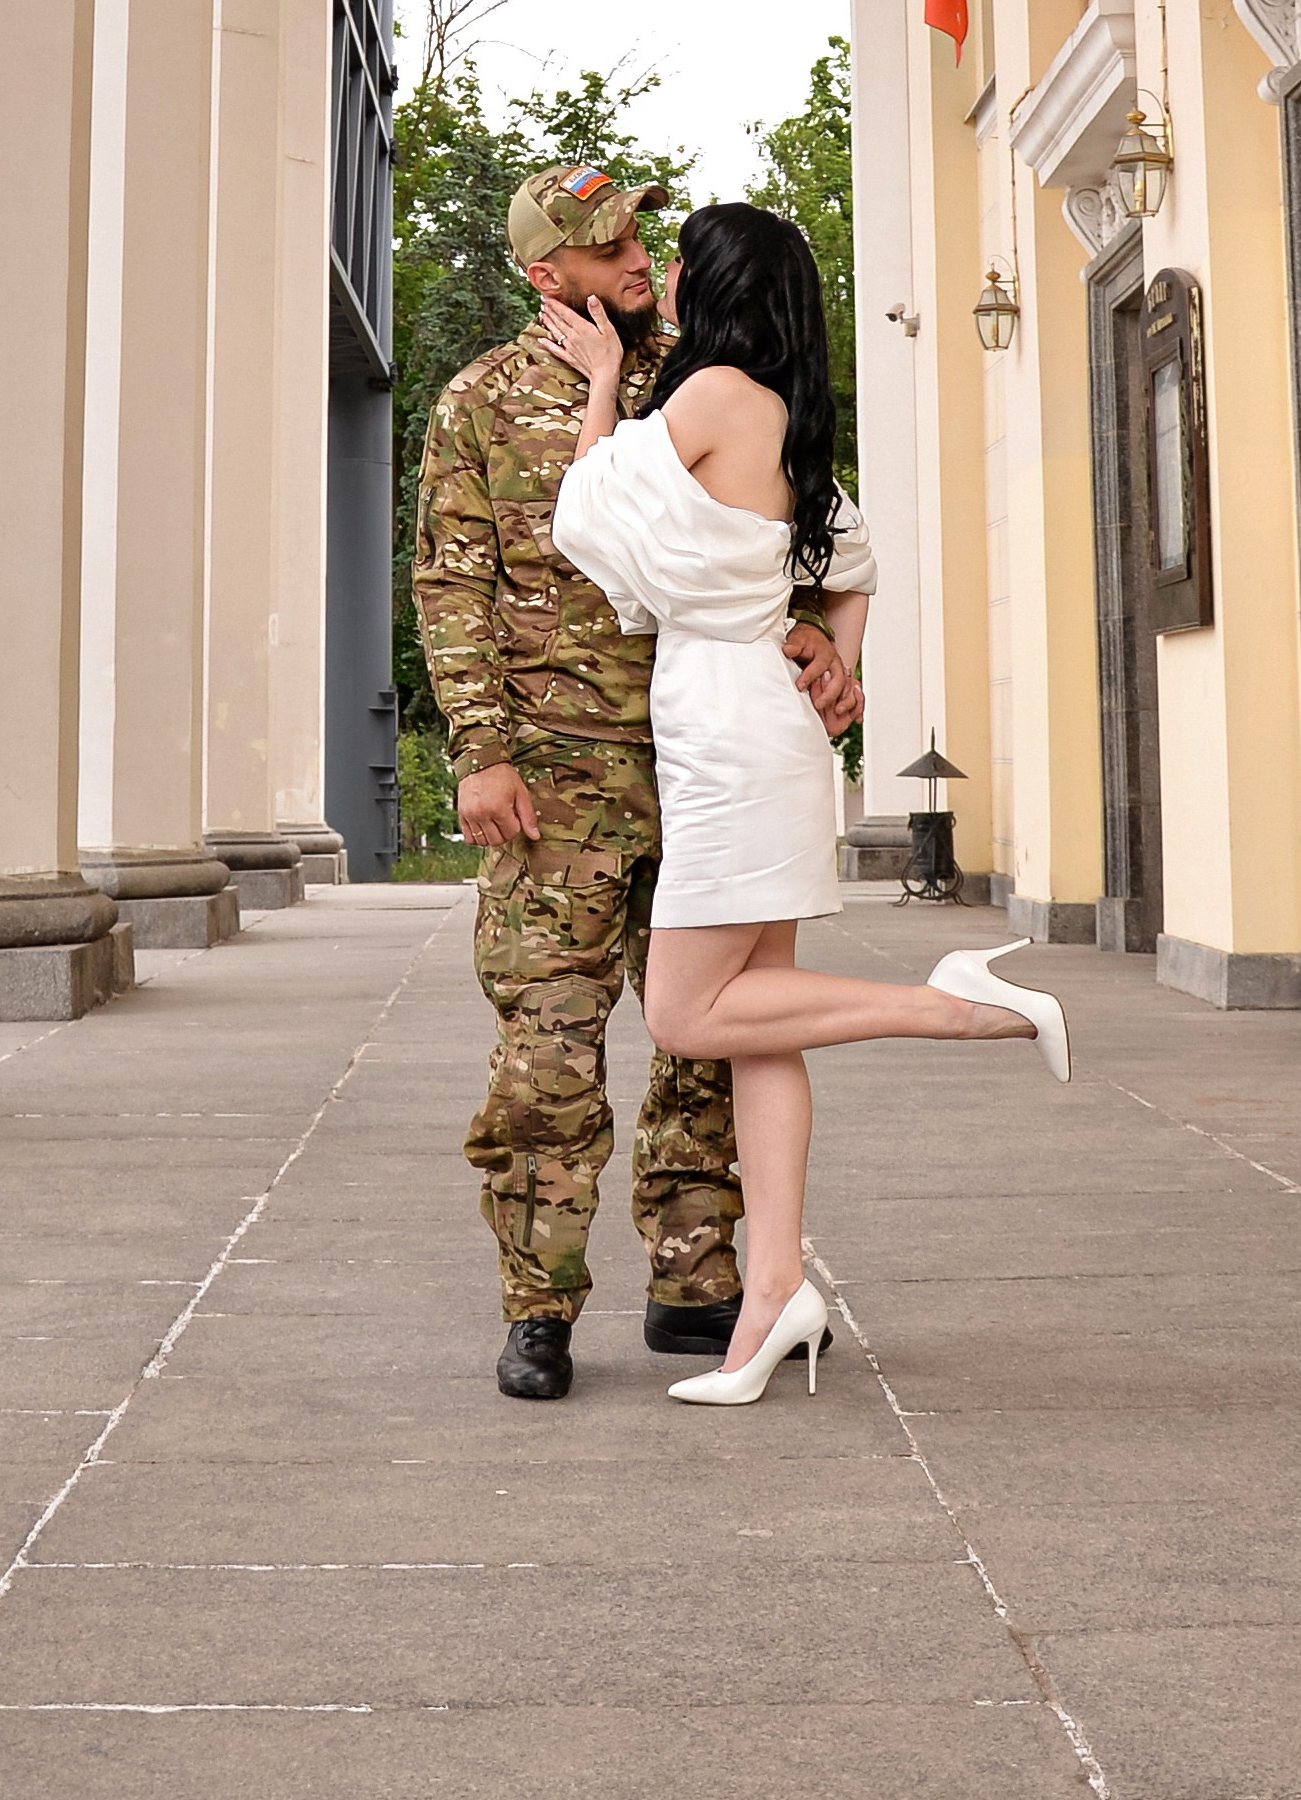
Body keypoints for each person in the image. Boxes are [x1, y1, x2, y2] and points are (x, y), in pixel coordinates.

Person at [545, 199, 1069, 1409]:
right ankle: (775, 1289)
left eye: (683, 261)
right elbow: (855, 564)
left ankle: (958, 1005)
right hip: (760, 726)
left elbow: (583, 513)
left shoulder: (715, 392)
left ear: (716, 283)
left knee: (684, 1011)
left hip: (728, 733)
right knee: (758, 1025)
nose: (667, 275)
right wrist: (835, 654)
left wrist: (604, 381)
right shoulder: (785, 411)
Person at [414, 162, 862, 1403]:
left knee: (708, 1048)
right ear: (544, 272)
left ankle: (695, 1280)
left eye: (637, 239)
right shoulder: (479, 403)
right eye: (606, 245)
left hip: (702, 766)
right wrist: (480, 748)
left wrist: (818, 629)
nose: (632, 260)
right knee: (547, 1053)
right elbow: (451, 587)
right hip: (556, 779)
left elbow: (802, 529)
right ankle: (538, 1306)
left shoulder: (705, 370)